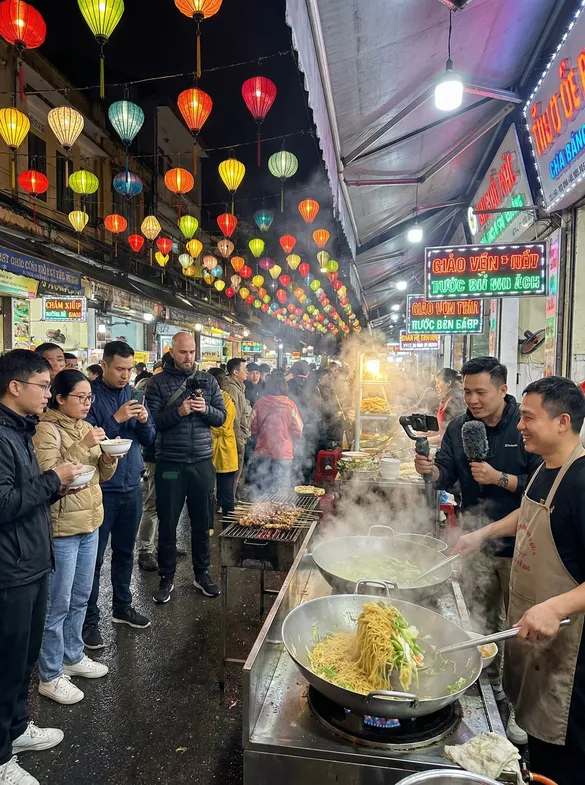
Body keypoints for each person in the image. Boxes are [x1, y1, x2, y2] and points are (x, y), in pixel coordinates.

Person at [455, 378, 585, 783]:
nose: (519, 425)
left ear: (563, 422)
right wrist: (483, 533)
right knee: (537, 744)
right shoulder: (548, 468)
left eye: (528, 417)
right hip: (535, 643)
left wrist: (558, 606)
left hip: (570, 657)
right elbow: (528, 513)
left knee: (560, 758)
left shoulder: (582, 482)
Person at [415, 356, 540, 745]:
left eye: (480, 391)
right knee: (480, 619)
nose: (472, 399)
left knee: (521, 630)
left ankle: (519, 708)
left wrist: (500, 478)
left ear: (503, 389)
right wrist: (429, 471)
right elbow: (447, 474)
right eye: (467, 391)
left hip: (523, 546)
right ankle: (487, 684)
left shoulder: (525, 426)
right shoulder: (459, 427)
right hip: (474, 538)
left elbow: (542, 488)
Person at [0, 350, 83, 785]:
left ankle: (15, 732)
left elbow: (24, 494)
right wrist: (52, 480)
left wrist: (57, 487)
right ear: (16, 387)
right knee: (7, 663)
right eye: (43, 386)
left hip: (31, 560)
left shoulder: (21, 429)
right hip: (9, 569)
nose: (48, 394)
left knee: (24, 659)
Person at [33, 371, 118, 705]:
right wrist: (83, 447)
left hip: (90, 523)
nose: (86, 403)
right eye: (80, 397)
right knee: (57, 604)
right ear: (60, 398)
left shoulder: (85, 427)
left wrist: (108, 457)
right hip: (62, 529)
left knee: (81, 596)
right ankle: (50, 675)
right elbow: (49, 474)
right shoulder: (46, 429)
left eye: (89, 397)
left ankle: (73, 655)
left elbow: (100, 474)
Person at [83, 341, 155, 650]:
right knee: (94, 560)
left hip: (131, 486)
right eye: (119, 369)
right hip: (100, 489)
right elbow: (86, 438)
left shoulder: (134, 394)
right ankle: (88, 621)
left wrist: (143, 421)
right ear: (105, 365)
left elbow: (149, 439)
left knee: (125, 552)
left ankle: (122, 607)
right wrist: (117, 417)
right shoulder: (89, 396)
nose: (126, 375)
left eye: (130, 369)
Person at [146, 332, 226, 604]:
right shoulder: (157, 383)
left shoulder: (209, 381)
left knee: (202, 522)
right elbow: (153, 423)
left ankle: (202, 574)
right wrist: (178, 412)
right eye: (183, 352)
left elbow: (221, 418)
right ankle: (166, 577)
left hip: (202, 461)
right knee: (168, 522)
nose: (189, 357)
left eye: (192, 352)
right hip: (170, 463)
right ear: (171, 351)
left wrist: (205, 409)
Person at [136, 353, 174, 572]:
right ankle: (145, 550)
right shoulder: (149, 389)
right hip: (154, 455)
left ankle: (163, 544)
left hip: (171, 457)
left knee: (168, 502)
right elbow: (149, 424)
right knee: (152, 502)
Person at [249, 374, 303, 495]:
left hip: (263, 451)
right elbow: (298, 429)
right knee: (282, 488)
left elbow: (252, 427)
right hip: (284, 453)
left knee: (263, 487)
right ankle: (280, 511)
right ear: (284, 387)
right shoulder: (290, 404)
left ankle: (263, 511)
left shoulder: (259, 403)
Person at [208, 368, 238, 520]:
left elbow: (222, 426)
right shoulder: (206, 399)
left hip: (224, 451)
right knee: (206, 494)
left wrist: (205, 424)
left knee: (226, 495)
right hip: (209, 452)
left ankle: (229, 528)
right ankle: (208, 527)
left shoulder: (227, 400)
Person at [287, 360, 322, 484]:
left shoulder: (287, 385)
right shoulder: (313, 386)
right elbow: (319, 407)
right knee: (308, 457)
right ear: (308, 372)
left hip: (291, 428)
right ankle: (306, 484)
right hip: (310, 427)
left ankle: (293, 484)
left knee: (294, 458)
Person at [223, 358, 251, 494]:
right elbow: (235, 418)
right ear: (235, 372)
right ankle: (227, 502)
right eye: (245, 369)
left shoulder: (239, 387)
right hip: (234, 437)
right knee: (233, 471)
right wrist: (239, 441)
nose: (247, 372)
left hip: (239, 435)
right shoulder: (231, 389)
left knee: (236, 471)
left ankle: (230, 497)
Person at [428, 368, 466, 446]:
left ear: (448, 383)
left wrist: (426, 440)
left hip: (453, 446)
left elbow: (453, 433)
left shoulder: (456, 400)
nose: (436, 386)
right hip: (444, 443)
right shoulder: (447, 398)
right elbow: (443, 426)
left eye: (438, 382)